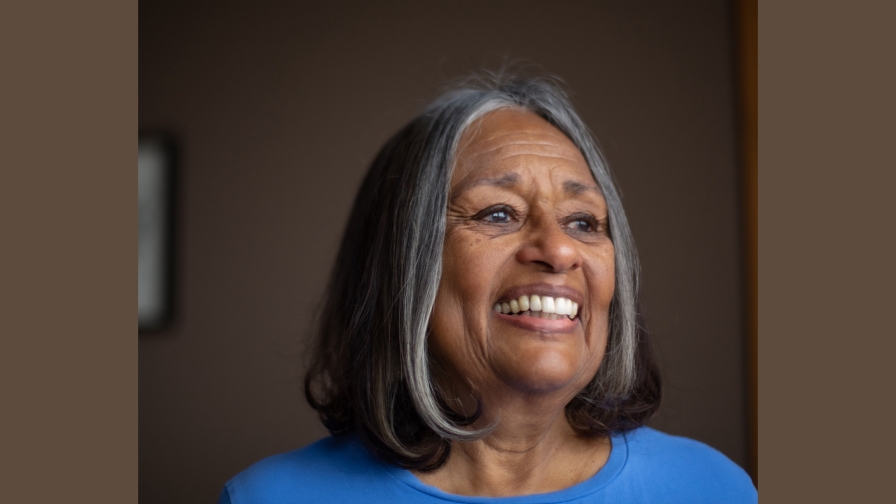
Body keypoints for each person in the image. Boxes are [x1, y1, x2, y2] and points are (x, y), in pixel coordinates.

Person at [219, 77, 757, 503]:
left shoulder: (714, 490)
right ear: (401, 266)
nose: (560, 250)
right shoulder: (269, 498)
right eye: (499, 213)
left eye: (584, 222)